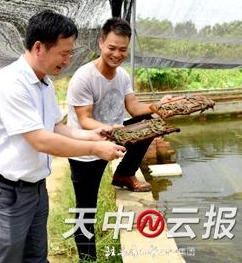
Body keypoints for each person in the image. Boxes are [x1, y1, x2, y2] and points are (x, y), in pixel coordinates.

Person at [0, 10, 126, 263]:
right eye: (63, 53)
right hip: (4, 191)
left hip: (34, 189)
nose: (67, 60)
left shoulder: (43, 83)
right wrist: (95, 150)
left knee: (36, 258)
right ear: (39, 47)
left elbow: (56, 127)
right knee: (4, 258)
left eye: (69, 53)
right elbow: (41, 140)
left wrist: (93, 135)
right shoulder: (10, 83)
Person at [66, 17, 171, 261]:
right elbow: (85, 120)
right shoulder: (84, 77)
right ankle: (87, 258)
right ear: (101, 43)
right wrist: (110, 128)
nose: (117, 54)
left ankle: (123, 174)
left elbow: (133, 109)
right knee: (86, 209)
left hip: (115, 135)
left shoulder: (122, 76)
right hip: (87, 148)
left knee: (148, 126)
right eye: (111, 47)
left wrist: (156, 106)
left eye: (122, 49)